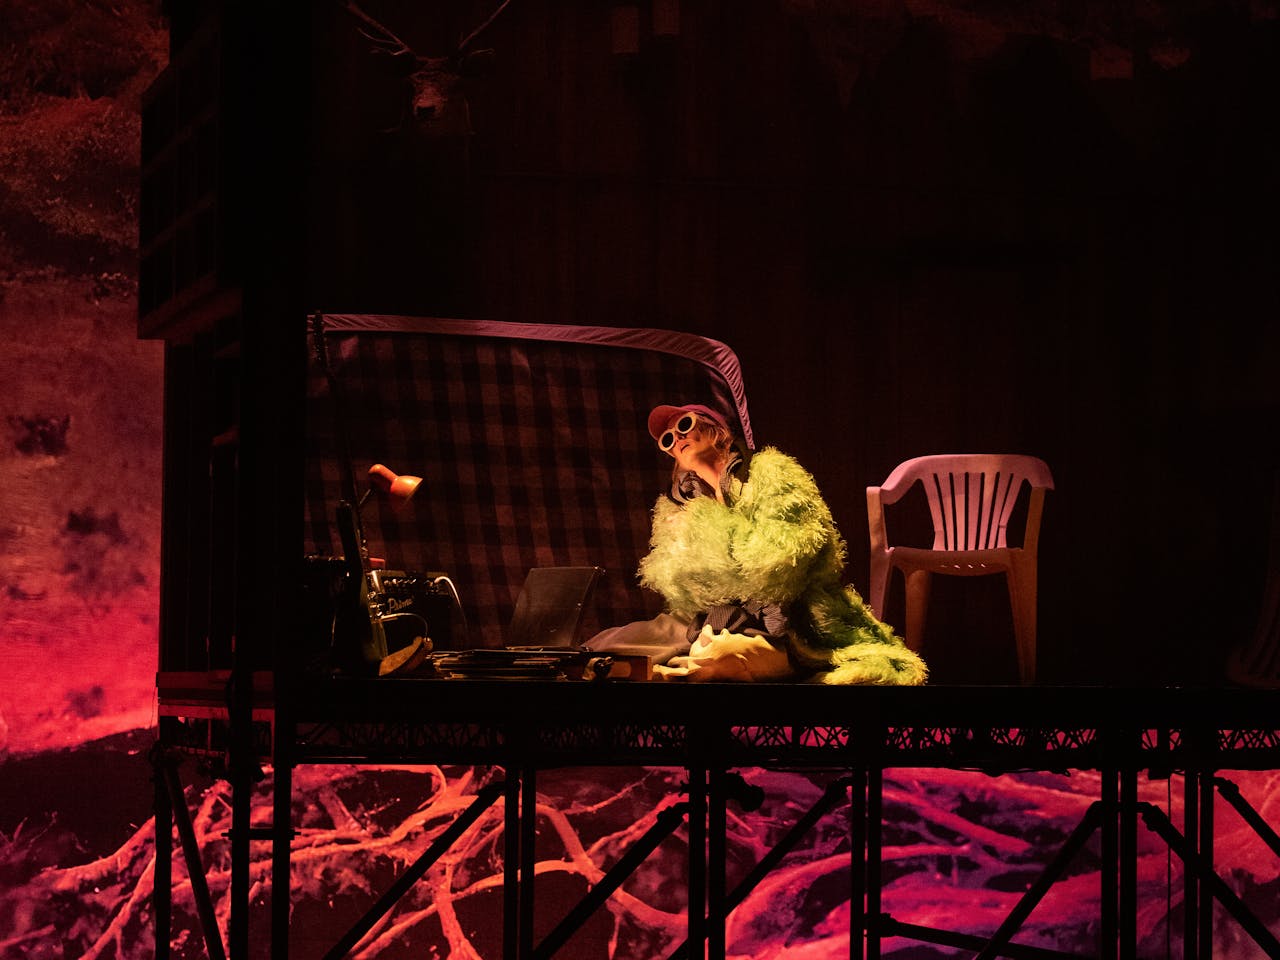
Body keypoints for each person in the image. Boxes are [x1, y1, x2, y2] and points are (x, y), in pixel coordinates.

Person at [587, 402, 927, 684]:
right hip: (709, 618)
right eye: (667, 439)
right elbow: (681, 586)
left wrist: (718, 540)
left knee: (714, 657)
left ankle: (674, 679)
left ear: (718, 430)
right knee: (605, 646)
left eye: (685, 425)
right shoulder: (683, 507)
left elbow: (779, 563)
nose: (677, 438)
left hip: (788, 619)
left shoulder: (770, 473)